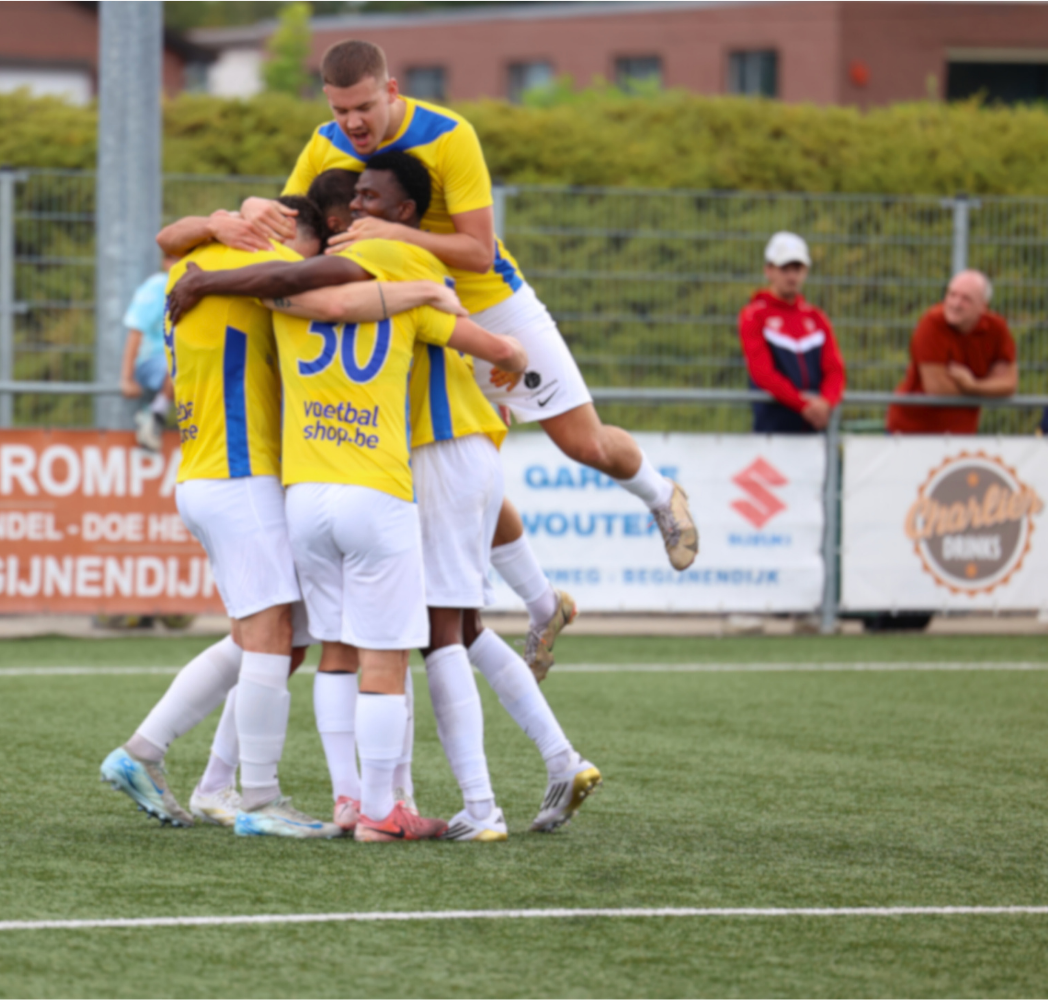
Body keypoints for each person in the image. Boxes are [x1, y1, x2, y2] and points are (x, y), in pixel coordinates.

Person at [214, 40, 697, 678]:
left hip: (491, 307)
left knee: (584, 444)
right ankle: (542, 603)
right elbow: (294, 224)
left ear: (391, 90)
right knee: (455, 466)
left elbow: (477, 252)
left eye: (362, 107)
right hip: (408, 316)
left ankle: (660, 494)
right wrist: (253, 209)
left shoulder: (449, 135)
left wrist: (395, 234)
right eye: (339, 110)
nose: (351, 123)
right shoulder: (323, 143)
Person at [173, 154, 600, 837]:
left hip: (351, 475)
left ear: (397, 213)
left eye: (370, 200)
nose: (358, 213)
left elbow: (295, 287)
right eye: (355, 201)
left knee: (385, 641)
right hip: (413, 464)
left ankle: (387, 800)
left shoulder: (329, 274)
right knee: (434, 636)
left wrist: (208, 264)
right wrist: (502, 356)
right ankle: (441, 799)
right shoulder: (401, 270)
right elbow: (496, 347)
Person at [100, 197, 466, 838]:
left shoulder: (196, 255)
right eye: (320, 247)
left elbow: (168, 235)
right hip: (242, 473)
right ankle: (257, 797)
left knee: (273, 637)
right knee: (271, 638)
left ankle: (168, 761)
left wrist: (210, 222)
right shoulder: (268, 266)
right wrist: (428, 290)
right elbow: (338, 302)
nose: (320, 261)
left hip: (206, 471)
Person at [886, 269, 1018, 435]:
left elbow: (1008, 385)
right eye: (952, 294)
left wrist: (972, 385)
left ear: (983, 306)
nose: (955, 303)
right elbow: (937, 388)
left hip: (962, 433)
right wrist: (981, 388)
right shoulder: (931, 323)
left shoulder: (997, 328)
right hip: (911, 430)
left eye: (966, 299)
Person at [739, 232, 846, 433]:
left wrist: (826, 403)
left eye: (797, 268)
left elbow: (835, 369)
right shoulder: (754, 315)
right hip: (773, 431)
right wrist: (803, 405)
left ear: (805, 271)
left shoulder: (816, 318)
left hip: (816, 430)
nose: (791, 276)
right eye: (784, 268)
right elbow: (763, 373)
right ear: (768, 270)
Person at [120, 257, 177, 452]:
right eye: (175, 258)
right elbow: (135, 332)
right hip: (151, 361)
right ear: (165, 261)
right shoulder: (156, 287)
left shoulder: (194, 284)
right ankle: (155, 416)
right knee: (179, 364)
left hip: (173, 361)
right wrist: (126, 379)